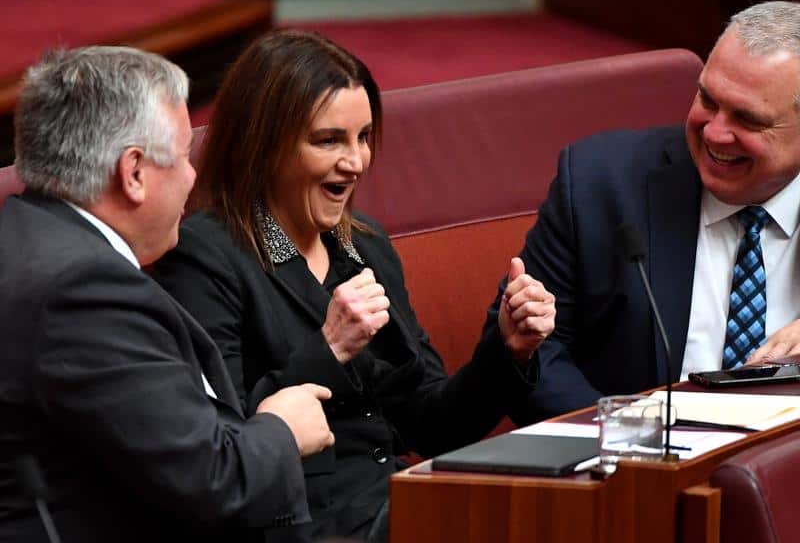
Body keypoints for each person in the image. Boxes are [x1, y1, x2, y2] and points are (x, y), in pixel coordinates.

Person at [153, 30, 556, 541]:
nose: (356, 160)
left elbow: (431, 425)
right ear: (265, 144)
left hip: (395, 501)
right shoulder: (203, 254)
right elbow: (222, 443)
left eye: (363, 137)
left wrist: (508, 348)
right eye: (329, 140)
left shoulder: (364, 246)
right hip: (298, 520)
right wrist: (329, 347)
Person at [0, 46, 335, 543]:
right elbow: (207, 479)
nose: (192, 176)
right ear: (133, 172)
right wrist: (282, 431)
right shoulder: (83, 291)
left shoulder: (25, 234)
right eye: (181, 156)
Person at [482, 0, 800, 422]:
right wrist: (627, 434)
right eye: (707, 98)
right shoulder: (601, 185)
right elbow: (533, 353)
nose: (714, 132)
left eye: (748, 119)